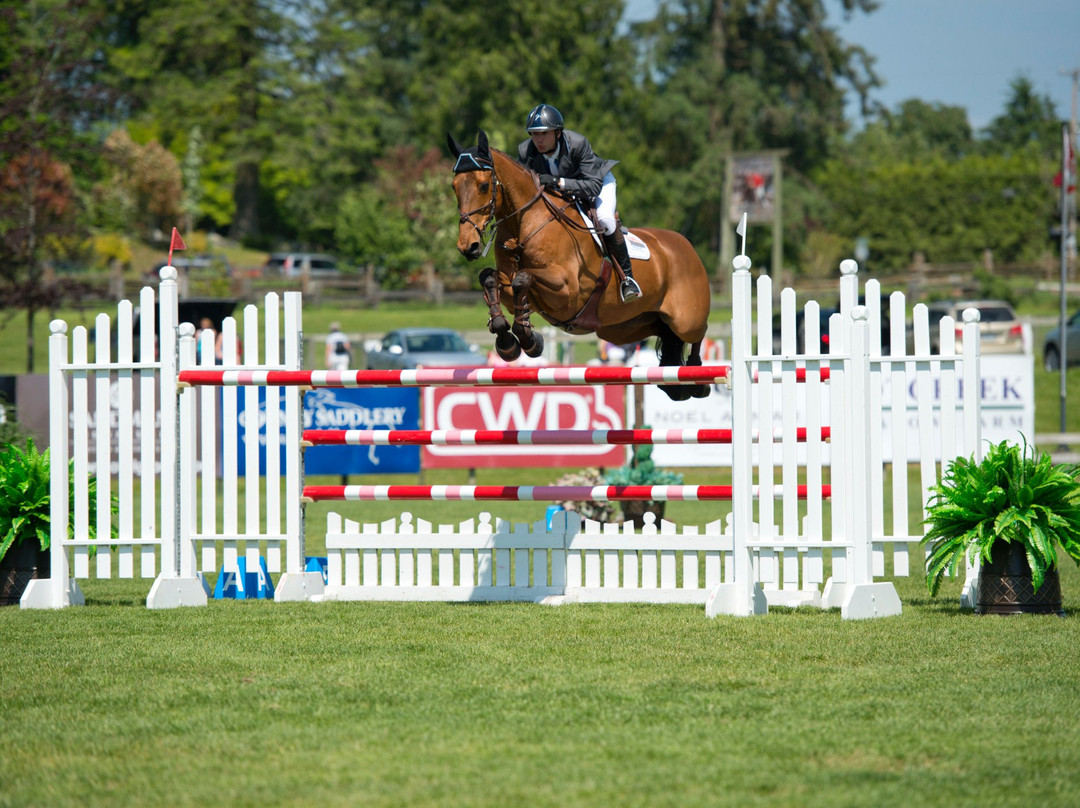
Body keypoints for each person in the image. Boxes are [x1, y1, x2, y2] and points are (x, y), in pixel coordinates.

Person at [517, 104, 641, 302]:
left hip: (597, 182)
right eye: (533, 134)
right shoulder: (526, 151)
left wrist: (559, 182)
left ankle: (628, 279)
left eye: (544, 134)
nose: (538, 140)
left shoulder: (577, 144)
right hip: (562, 191)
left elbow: (592, 185)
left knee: (606, 220)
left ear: (558, 133)